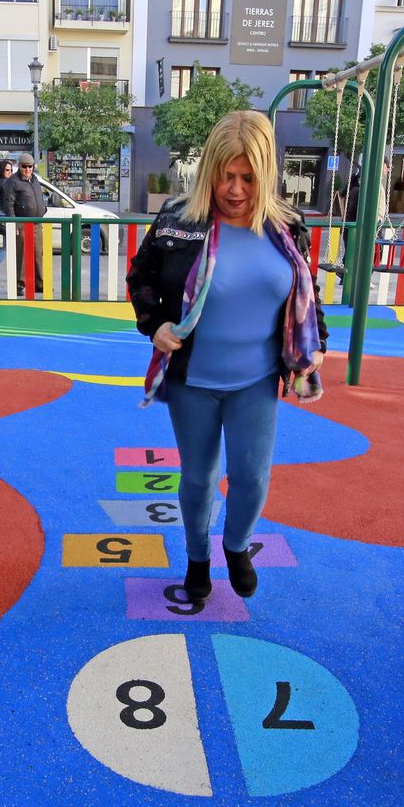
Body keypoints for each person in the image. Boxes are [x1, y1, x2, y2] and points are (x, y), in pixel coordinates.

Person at [128, 110, 326, 604]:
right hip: (193, 379)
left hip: (256, 379)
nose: (235, 190)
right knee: (198, 478)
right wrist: (156, 326)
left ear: (266, 176)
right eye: (225, 175)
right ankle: (198, 557)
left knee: (253, 476)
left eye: (247, 178)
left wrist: (315, 342)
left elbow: (307, 292)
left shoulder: (288, 228)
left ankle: (235, 546)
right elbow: (141, 278)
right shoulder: (179, 220)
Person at [0, 151, 48, 296]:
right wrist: (14, 224)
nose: (27, 169)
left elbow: (39, 197)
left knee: (38, 254)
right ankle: (19, 285)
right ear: (19, 166)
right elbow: (8, 204)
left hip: (37, 223)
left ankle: (39, 284)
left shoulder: (35, 180)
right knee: (21, 256)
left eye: (30, 166)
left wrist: (43, 209)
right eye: (24, 166)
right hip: (21, 222)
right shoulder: (13, 182)